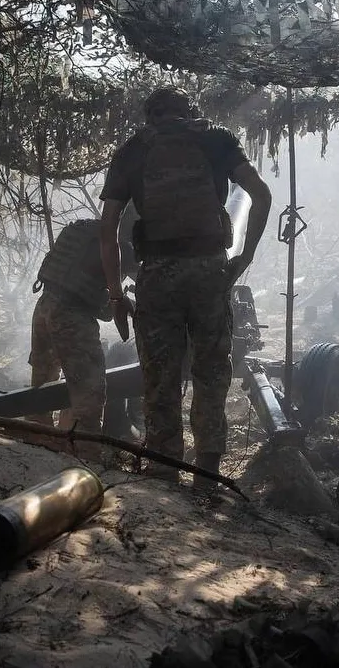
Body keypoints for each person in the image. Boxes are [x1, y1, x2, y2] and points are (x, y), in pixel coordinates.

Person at [99, 87, 272, 488]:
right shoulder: (216, 138)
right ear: (188, 111)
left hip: (157, 275)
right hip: (210, 272)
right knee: (211, 371)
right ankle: (208, 476)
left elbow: (108, 226)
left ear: (151, 117)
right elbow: (260, 194)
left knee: (160, 375)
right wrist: (243, 258)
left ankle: (163, 475)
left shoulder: (133, 150)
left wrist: (115, 294)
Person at [27, 206, 139, 460]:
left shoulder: (81, 229)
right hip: (72, 317)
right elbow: (130, 285)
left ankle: (35, 448)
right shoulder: (119, 245)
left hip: (45, 305)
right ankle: (84, 457)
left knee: (41, 386)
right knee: (90, 392)